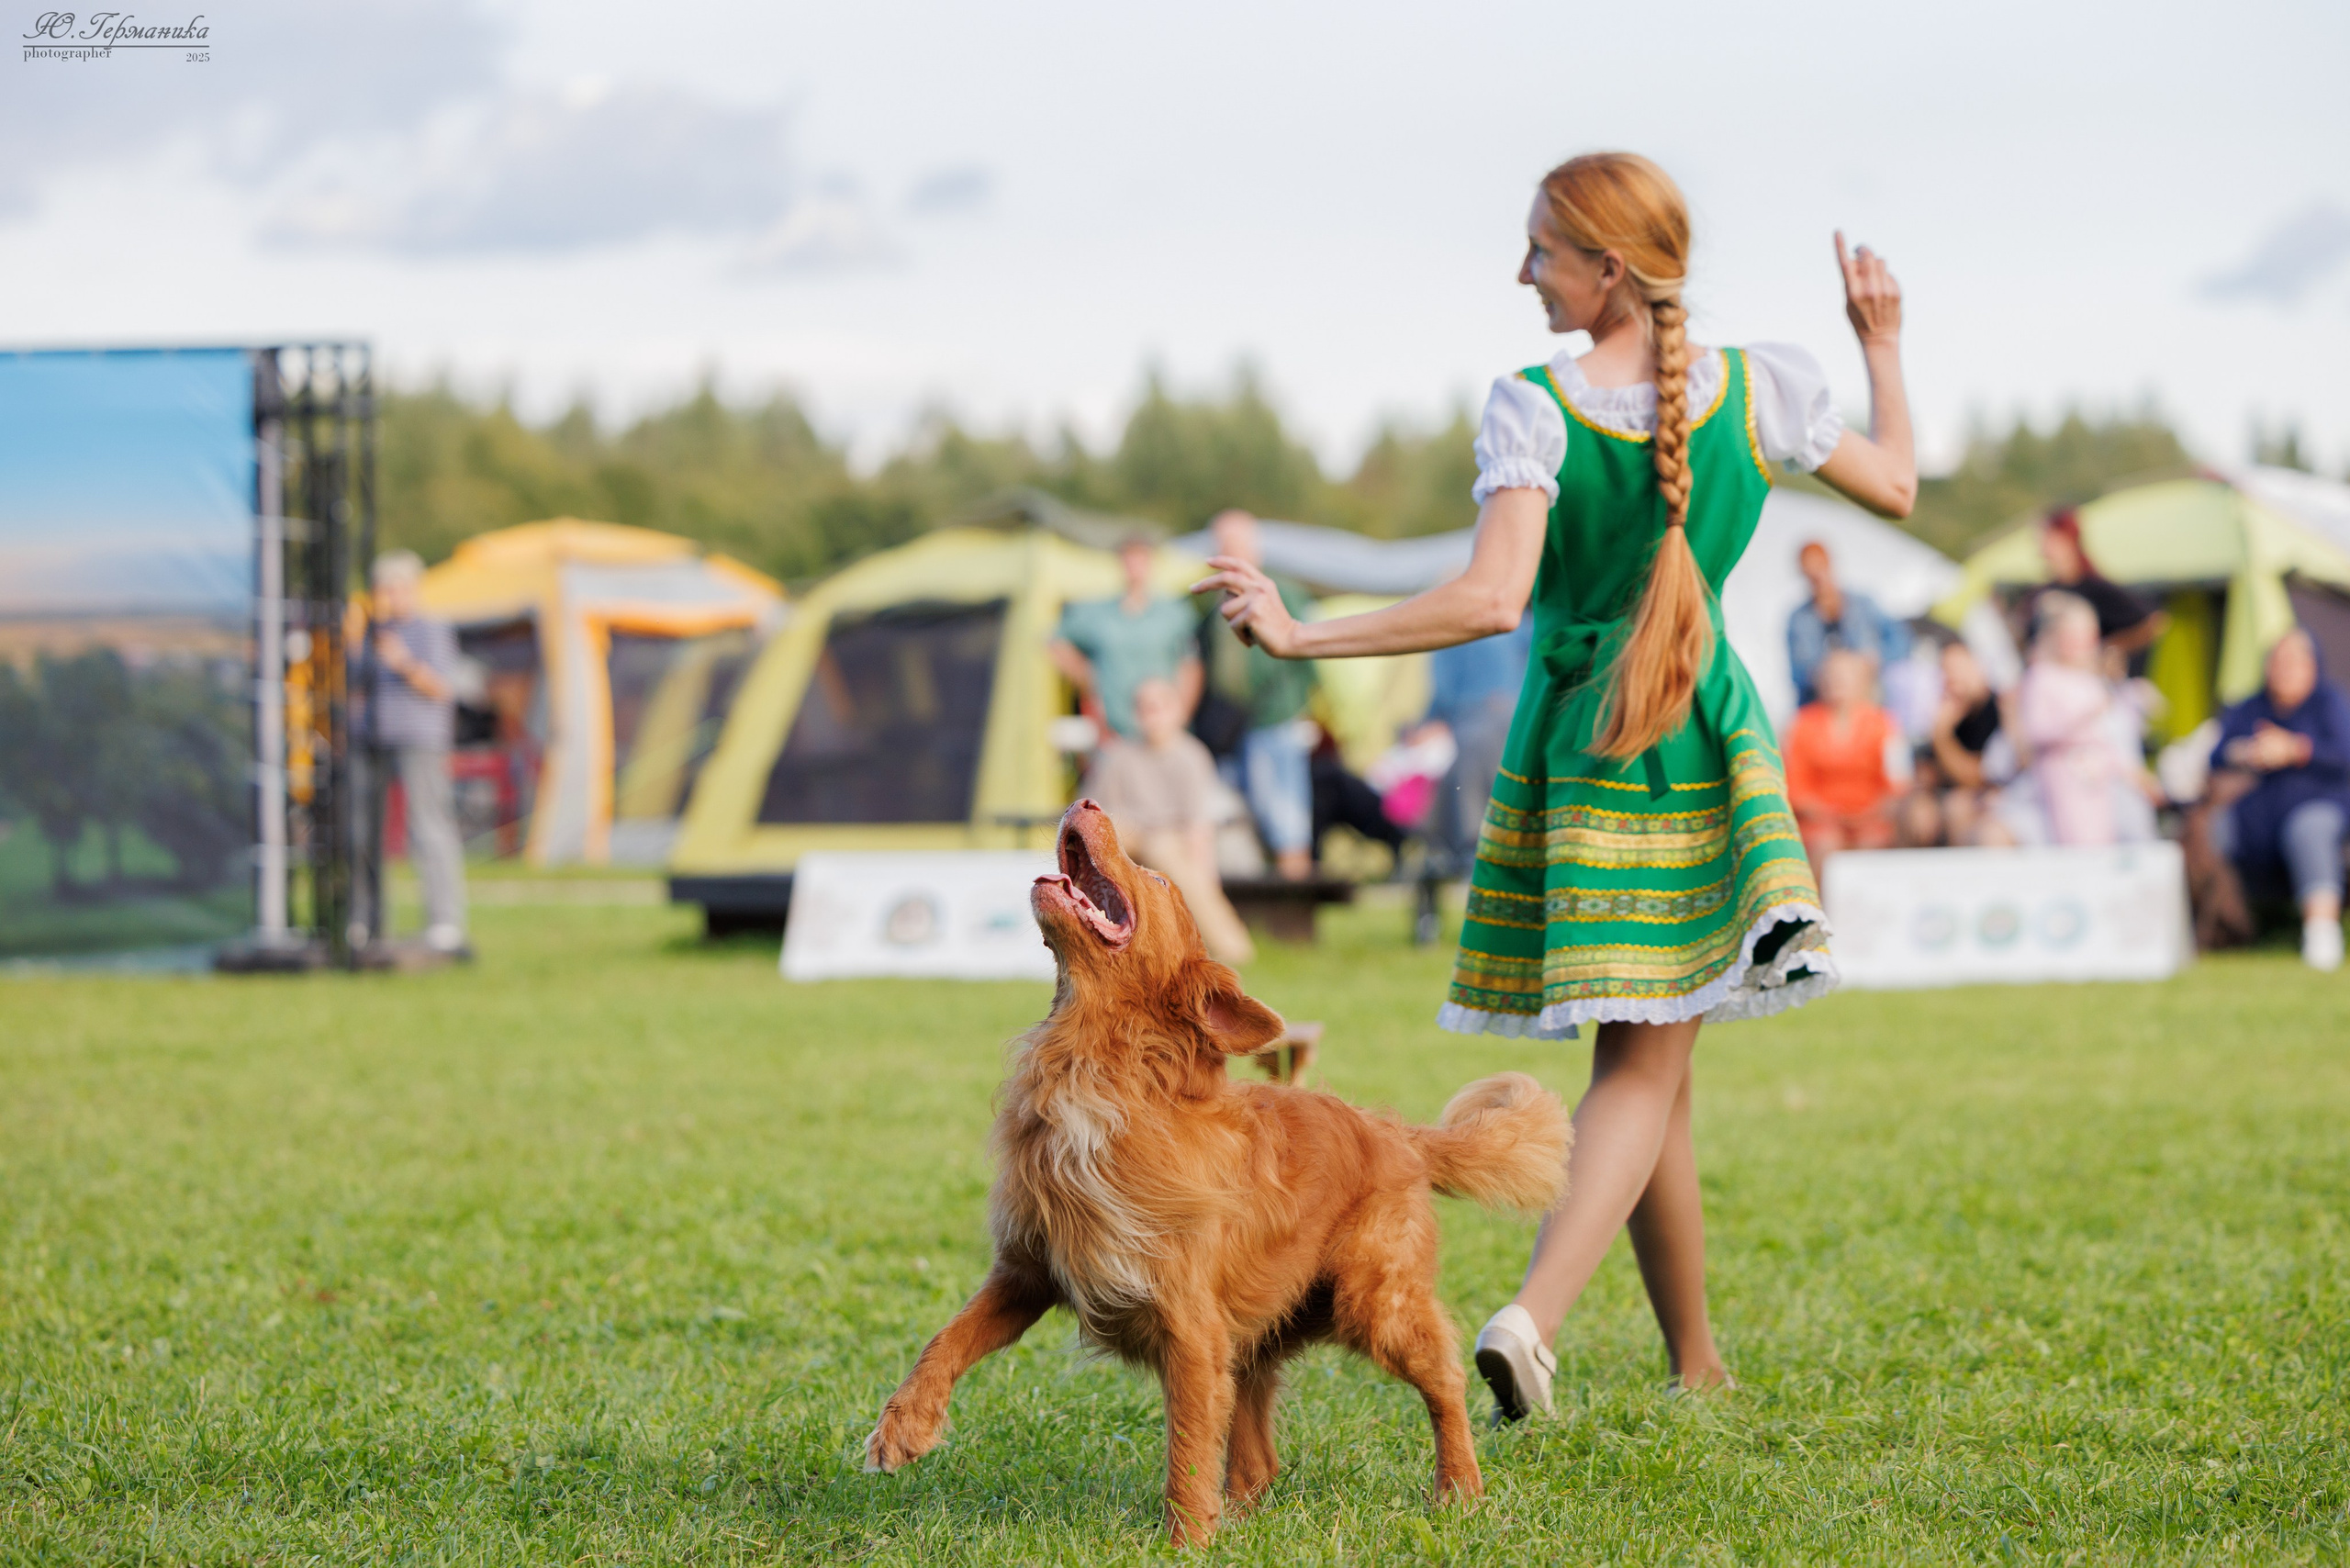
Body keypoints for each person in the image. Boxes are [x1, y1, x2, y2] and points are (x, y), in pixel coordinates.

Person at [1196, 152, 1916, 1411]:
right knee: (1647, 1065)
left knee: (1655, 1066)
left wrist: (1307, 636)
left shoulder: (1537, 406)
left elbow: (1490, 600)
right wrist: (1883, 347)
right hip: (1704, 741)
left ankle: (1697, 1363)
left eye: (1542, 249)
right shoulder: (1764, 390)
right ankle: (1533, 1318)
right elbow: (1902, 485)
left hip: (1584, 749)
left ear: (1611, 269)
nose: (1522, 270)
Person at [1085, 677, 1256, 965]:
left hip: (1171, 840)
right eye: (1144, 707)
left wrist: (1205, 874)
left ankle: (1230, 946)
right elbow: (1096, 813)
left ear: (1177, 711)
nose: (1152, 715)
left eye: (1159, 707)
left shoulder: (1191, 756)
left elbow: (1198, 827)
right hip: (1127, 837)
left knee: (1165, 851)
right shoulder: (1117, 756)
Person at [2207, 629, 2350, 970]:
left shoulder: (2329, 703)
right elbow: (2216, 757)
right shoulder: (2250, 707)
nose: (2285, 670)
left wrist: (2295, 750)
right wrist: (2246, 753)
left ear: (2313, 666)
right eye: (2279, 662)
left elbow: (2343, 755)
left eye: (2294, 662)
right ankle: (2224, 928)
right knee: (2213, 831)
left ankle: (2321, 931)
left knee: (2309, 830)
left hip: (2321, 802)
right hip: (2257, 812)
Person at [354, 550, 468, 954]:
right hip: (373, 738)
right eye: (383, 588)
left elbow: (442, 688)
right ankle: (365, 920)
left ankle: (444, 922)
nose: (389, 595)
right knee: (364, 831)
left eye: (396, 588)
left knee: (429, 827)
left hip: (420, 738)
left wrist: (402, 662)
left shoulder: (430, 630)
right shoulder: (372, 632)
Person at [1198, 510, 1319, 879]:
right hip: (1231, 730)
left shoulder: (1282, 592)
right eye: (1222, 544)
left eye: (1235, 544)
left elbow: (1310, 656)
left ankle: (1297, 915)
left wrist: (1294, 709)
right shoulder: (1212, 605)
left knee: (1286, 820)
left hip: (1274, 722)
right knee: (1242, 821)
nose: (1228, 553)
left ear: (1254, 547)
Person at [1049, 535, 1202, 741]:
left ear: (1151, 563)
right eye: (1129, 560)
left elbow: (1191, 667)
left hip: (1163, 730)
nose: (1135, 567)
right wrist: (1087, 678)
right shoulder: (1097, 612)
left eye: (1140, 560)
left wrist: (1180, 714)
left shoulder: (1175, 612)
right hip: (1114, 727)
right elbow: (1055, 642)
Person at [1419, 618, 1535, 873]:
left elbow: (1442, 692)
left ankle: (1468, 851)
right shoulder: (1516, 622)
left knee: (1471, 781)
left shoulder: (1509, 622)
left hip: (1487, 720)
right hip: (1501, 717)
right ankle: (1467, 851)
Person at [1783, 649, 1905, 868]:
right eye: (1830, 676)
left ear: (1863, 681)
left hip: (1872, 820)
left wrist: (1866, 816)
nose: (1836, 682)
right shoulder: (1802, 724)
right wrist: (1830, 816)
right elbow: (1795, 786)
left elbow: (1897, 783)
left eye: (1844, 676)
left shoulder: (1885, 723)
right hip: (1820, 821)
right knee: (1825, 845)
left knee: (1873, 845)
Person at [2034, 509, 2165, 677]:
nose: (2042, 549)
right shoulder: (2045, 591)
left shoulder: (2094, 586)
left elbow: (2154, 622)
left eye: (2048, 539)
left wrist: (2110, 648)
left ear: (2067, 540)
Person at [1785, 540, 1909, 707]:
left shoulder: (1864, 604)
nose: (1819, 579)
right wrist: (1830, 674)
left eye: (1821, 568)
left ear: (1830, 564)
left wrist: (1871, 661)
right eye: (1811, 575)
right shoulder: (1798, 620)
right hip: (1823, 703)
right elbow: (1798, 675)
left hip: (1869, 696)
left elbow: (1902, 640)